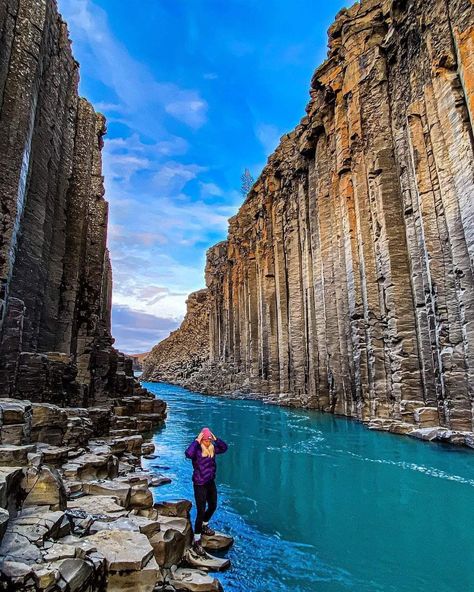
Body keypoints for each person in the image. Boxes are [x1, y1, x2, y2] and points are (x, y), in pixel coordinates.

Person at [185, 427, 228, 556]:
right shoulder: (197, 449)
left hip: (210, 481)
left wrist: (216, 439)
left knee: (213, 505)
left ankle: (204, 525)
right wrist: (197, 441)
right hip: (199, 484)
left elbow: (224, 448)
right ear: (201, 439)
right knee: (201, 511)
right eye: (206, 440)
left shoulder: (213, 449)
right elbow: (188, 454)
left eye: (209, 440)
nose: (208, 442)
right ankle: (196, 541)